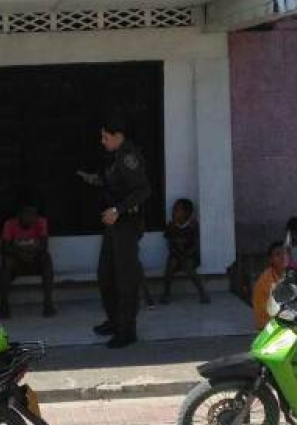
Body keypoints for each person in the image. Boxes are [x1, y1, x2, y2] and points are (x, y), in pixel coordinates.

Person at [78, 115, 150, 349]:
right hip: (114, 225)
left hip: (126, 224)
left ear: (118, 136)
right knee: (106, 274)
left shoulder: (129, 157)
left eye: (105, 137)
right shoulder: (116, 157)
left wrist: (118, 210)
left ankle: (127, 330)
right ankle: (114, 321)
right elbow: (114, 183)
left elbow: (143, 190)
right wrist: (92, 179)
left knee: (125, 278)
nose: (102, 141)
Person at [0, 204, 56, 319]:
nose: (31, 218)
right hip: (17, 262)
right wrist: (20, 253)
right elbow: (3, 248)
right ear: (19, 215)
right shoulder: (10, 224)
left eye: (34, 215)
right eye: (27, 214)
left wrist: (30, 253)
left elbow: (44, 246)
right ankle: (3, 306)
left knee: (46, 259)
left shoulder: (41, 222)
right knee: (6, 262)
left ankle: (48, 304)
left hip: (34, 260)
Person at [160, 198, 210, 305]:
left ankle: (202, 292)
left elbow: (196, 245)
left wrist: (186, 255)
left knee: (188, 265)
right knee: (170, 265)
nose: (173, 213)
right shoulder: (171, 226)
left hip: (190, 256)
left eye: (177, 210)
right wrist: (178, 255)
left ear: (187, 213)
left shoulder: (193, 226)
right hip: (176, 255)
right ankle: (166, 293)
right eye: (173, 210)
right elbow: (170, 245)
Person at [251, 241, 288, 330]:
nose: (283, 257)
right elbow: (277, 305)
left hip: (278, 320)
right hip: (267, 325)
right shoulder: (267, 279)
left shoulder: (284, 275)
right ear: (270, 260)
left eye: (285, 253)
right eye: (278, 254)